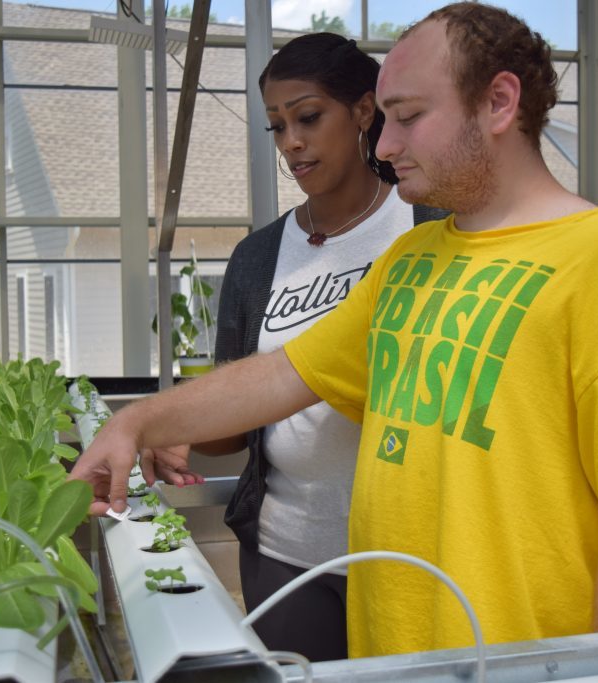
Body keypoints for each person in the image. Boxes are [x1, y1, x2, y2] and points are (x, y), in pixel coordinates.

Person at [71, 2, 598, 660]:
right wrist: (138, 423)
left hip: (520, 663)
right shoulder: (409, 262)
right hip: (394, 654)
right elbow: (281, 374)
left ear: (498, 103)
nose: (384, 146)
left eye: (408, 118)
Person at [144, 32, 421, 662]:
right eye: (276, 126)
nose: (291, 142)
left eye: (308, 117)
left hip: (407, 550)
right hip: (285, 551)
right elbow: (236, 427)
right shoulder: (257, 257)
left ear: (362, 112)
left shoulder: (425, 230)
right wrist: (180, 428)